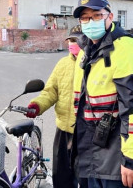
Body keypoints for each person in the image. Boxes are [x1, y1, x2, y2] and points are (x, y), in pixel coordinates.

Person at [71, 0, 133, 188]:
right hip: (92, 154)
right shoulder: (85, 51)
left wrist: (132, 160)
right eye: (84, 18)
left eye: (96, 16)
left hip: (117, 160)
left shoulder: (126, 48)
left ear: (110, 16)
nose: (90, 21)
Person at [25, 26, 82, 188]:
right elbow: (51, 91)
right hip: (64, 130)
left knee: (85, 179)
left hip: (87, 133)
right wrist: (37, 105)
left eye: (77, 40)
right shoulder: (62, 63)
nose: (73, 43)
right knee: (61, 178)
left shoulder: (94, 64)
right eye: (71, 40)